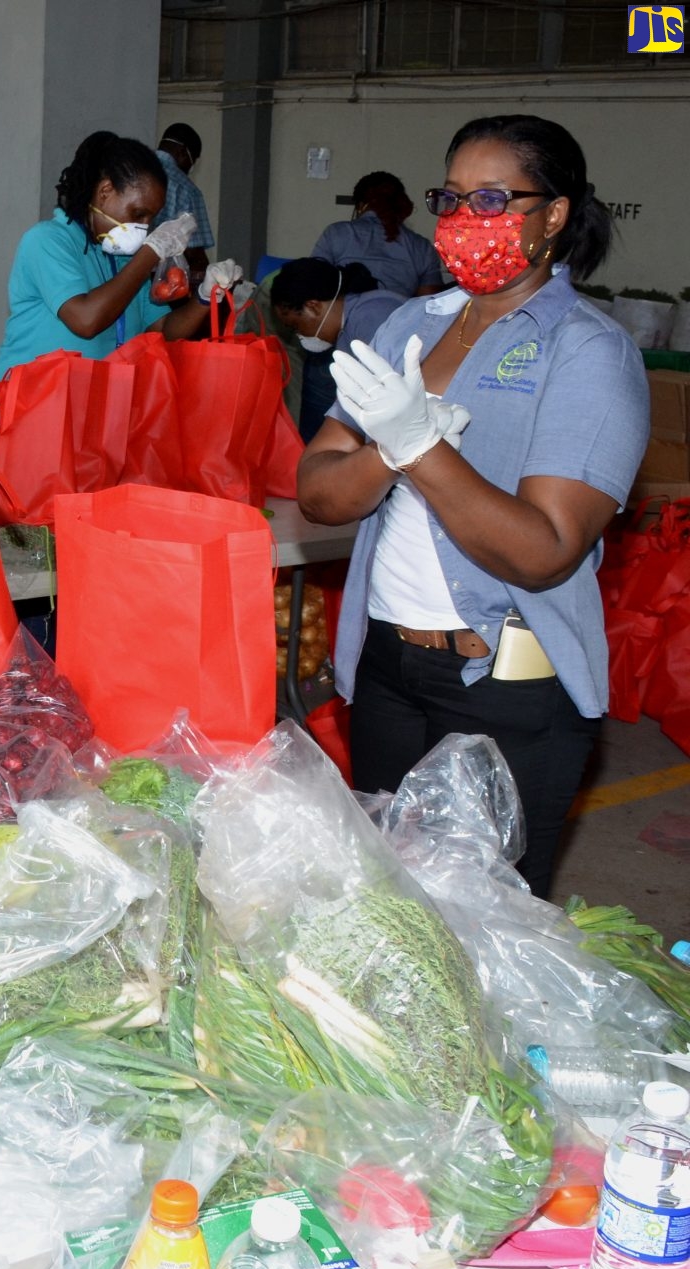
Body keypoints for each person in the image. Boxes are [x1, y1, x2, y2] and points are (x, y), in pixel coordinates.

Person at [296, 115, 640, 895]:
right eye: (450, 199)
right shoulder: (413, 325)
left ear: (552, 213)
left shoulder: (586, 351)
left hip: (505, 685)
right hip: (385, 665)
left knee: (489, 923)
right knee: (396, 904)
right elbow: (319, 489)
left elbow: (543, 548)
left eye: (491, 199)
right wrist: (388, 450)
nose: (462, 221)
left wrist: (418, 448)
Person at [0, 132, 246, 443]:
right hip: (21, 422)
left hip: (82, 428)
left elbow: (162, 330)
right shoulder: (47, 241)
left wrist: (205, 296)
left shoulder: (124, 260)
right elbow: (86, 320)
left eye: (151, 219)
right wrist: (151, 253)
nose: (144, 228)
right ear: (104, 192)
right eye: (137, 214)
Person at [271, 258, 406, 442]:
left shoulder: (372, 316)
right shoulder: (347, 329)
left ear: (313, 306)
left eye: (296, 326)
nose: (299, 334)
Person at [314, 172, 447, 299]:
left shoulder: (337, 233)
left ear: (361, 206)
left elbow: (312, 285)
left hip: (344, 321)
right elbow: (429, 304)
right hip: (399, 321)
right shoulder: (421, 247)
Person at [152, 123, 214, 286]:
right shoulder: (185, 188)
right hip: (163, 281)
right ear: (182, 153)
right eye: (192, 161)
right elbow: (194, 253)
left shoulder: (134, 171)